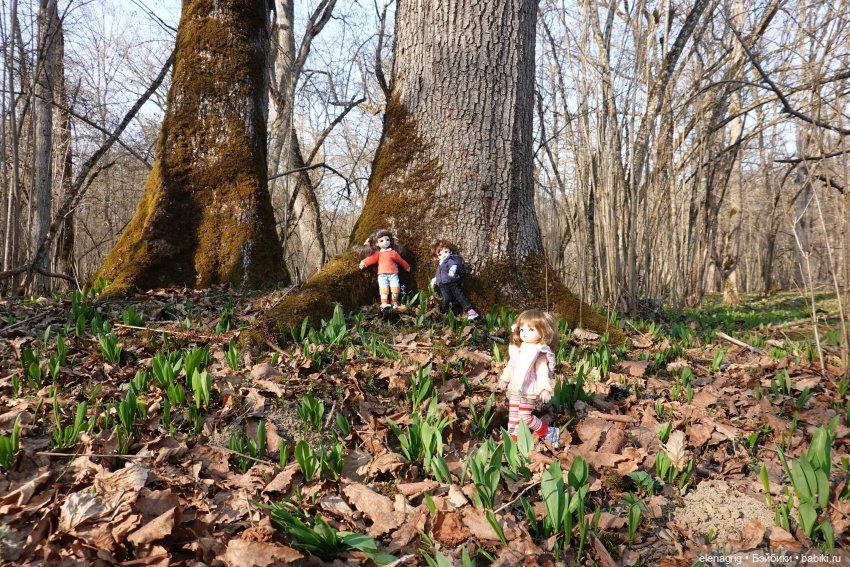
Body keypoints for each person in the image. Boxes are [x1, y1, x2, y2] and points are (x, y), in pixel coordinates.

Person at [498, 309, 560, 447]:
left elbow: (542, 372)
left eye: (531, 330)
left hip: (529, 390)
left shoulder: (539, 352)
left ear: (543, 332)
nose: (524, 333)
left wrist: (544, 389)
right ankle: (513, 441)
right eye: (522, 329)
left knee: (525, 417)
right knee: (513, 417)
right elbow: (511, 365)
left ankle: (548, 432)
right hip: (515, 388)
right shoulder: (518, 348)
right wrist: (505, 378)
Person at [359, 229, 411, 310]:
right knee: (383, 289)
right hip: (382, 275)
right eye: (382, 241)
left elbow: (400, 260)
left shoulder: (393, 253)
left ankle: (394, 302)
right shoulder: (378, 253)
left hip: (393, 274)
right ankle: (384, 303)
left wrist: (406, 266)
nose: (385, 242)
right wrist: (364, 262)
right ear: (377, 243)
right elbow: (371, 259)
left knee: (395, 287)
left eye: (387, 240)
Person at [430, 239, 479, 320]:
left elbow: (454, 265)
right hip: (443, 286)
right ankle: (444, 313)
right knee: (446, 299)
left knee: (460, 297)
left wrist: (452, 271)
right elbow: (439, 274)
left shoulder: (449, 261)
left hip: (452, 283)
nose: (444, 255)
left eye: (446, 252)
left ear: (450, 252)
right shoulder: (440, 265)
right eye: (440, 254)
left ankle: (471, 312)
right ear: (437, 257)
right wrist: (434, 280)